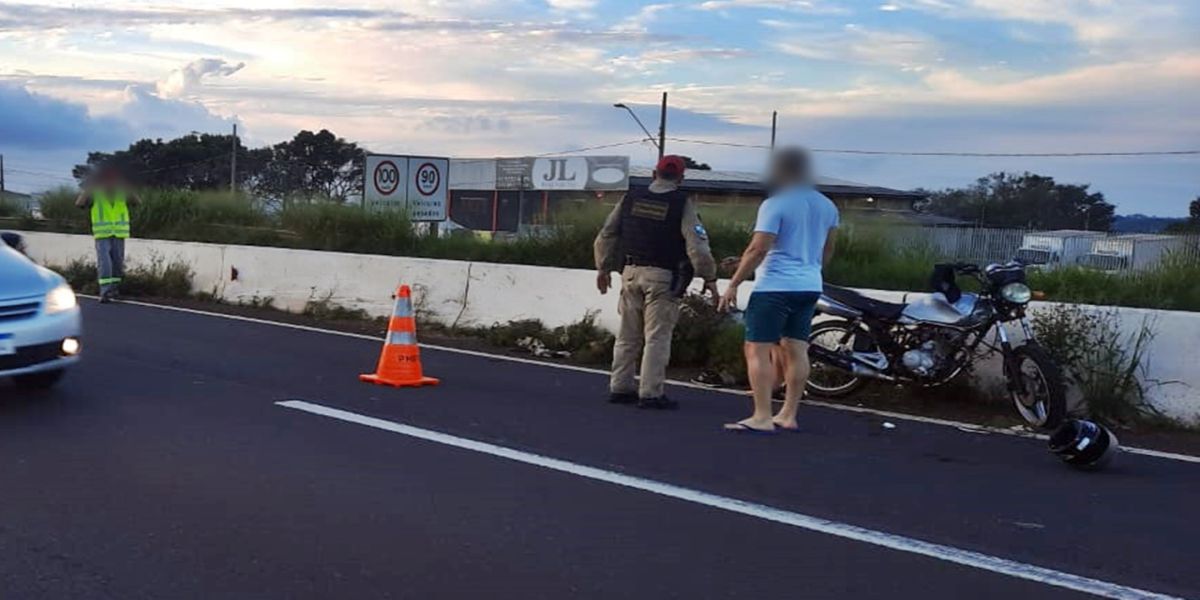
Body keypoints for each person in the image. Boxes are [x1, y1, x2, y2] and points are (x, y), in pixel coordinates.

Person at [719, 147, 839, 433]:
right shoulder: (828, 206)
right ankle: (788, 414)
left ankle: (762, 416)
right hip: (809, 285)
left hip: (774, 286)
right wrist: (810, 272)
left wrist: (734, 283)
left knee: (756, 348)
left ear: (781, 170)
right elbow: (827, 250)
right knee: (797, 348)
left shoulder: (775, 204)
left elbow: (758, 248)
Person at [594, 155, 719, 409]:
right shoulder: (681, 203)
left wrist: (603, 269)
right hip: (663, 278)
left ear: (654, 174)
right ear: (681, 178)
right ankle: (650, 393)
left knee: (627, 335)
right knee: (656, 338)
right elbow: (697, 246)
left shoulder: (630, 198)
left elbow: (606, 234)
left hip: (630, 273)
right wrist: (710, 277)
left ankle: (620, 387)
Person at [75, 166, 140, 303]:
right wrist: (90, 188)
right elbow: (79, 203)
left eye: (113, 179)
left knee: (117, 262)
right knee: (105, 263)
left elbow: (137, 202)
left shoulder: (122, 193)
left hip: (119, 233)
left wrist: (128, 188)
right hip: (102, 233)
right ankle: (105, 292)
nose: (111, 182)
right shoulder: (96, 193)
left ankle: (115, 290)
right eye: (108, 179)